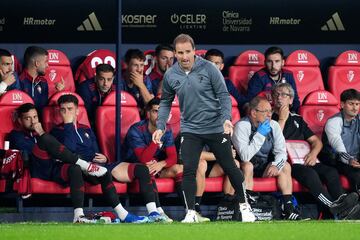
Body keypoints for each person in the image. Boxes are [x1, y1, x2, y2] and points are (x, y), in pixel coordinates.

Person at [152, 33, 255, 223]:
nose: (184, 57)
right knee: (189, 171)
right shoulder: (171, 74)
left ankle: (244, 207)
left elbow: (224, 96)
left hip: (216, 127)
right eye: (180, 52)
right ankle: (190, 213)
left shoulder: (209, 68)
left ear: (194, 50)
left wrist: (226, 119)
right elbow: (165, 102)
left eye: (188, 52)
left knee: (231, 168)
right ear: (175, 53)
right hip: (191, 130)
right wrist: (160, 126)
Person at [9, 103, 148, 223]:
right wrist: (41, 134)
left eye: (35, 117)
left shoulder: (71, 130)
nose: (33, 121)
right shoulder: (16, 135)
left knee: (97, 172)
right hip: (37, 168)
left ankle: (97, 215)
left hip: (55, 167)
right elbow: (31, 153)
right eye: (27, 118)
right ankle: (84, 164)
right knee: (45, 140)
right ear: (20, 121)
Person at [50, 94, 170, 222]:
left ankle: (153, 213)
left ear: (77, 111)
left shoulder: (86, 129)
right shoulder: (57, 132)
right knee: (97, 171)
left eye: (70, 109)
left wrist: (105, 158)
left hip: (97, 165)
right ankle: (119, 215)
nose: (67, 112)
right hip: (80, 167)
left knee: (142, 169)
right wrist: (68, 124)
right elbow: (70, 150)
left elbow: (95, 151)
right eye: (63, 110)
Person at [272, 83, 360, 219]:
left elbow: (316, 141)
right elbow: (274, 141)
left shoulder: (297, 119)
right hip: (286, 163)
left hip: (305, 158)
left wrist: (313, 154)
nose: (279, 98)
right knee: (310, 174)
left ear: (291, 100)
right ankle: (332, 207)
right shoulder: (269, 118)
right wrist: (282, 119)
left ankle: (343, 204)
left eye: (284, 95)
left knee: (330, 171)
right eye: (276, 94)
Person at [232, 96, 301, 220]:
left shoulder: (273, 125)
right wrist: (260, 134)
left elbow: (282, 152)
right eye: (266, 112)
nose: (270, 114)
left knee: (285, 166)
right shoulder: (241, 126)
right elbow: (245, 156)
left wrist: (276, 165)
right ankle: (247, 207)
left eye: (271, 111)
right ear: (254, 113)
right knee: (248, 166)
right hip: (244, 168)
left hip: (264, 167)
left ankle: (288, 209)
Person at [322, 89, 360, 192]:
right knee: (357, 174)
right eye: (351, 104)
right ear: (342, 104)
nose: (355, 108)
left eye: (357, 104)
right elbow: (339, 148)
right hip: (335, 159)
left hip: (355, 159)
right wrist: (350, 160)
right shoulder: (334, 122)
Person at [245, 46, 300, 113]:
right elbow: (250, 102)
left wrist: (293, 115)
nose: (273, 66)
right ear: (265, 63)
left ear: (282, 62)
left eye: (277, 61)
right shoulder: (259, 76)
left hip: (285, 112)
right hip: (265, 114)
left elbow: (295, 99)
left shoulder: (288, 75)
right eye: (269, 62)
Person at [20, 46, 65, 111]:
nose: (47, 65)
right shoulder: (19, 81)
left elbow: (44, 107)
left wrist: (57, 93)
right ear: (37, 63)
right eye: (45, 62)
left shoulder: (43, 82)